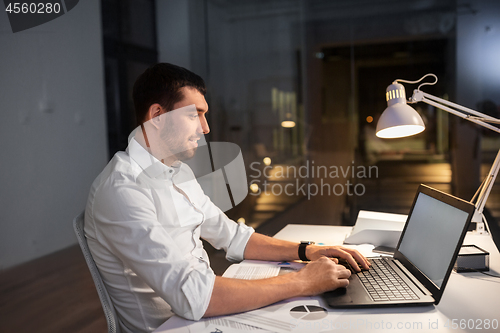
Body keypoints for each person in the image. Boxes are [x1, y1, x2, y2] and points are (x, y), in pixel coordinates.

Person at [84, 63, 370, 332]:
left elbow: (233, 236)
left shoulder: (176, 170)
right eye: (193, 114)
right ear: (157, 116)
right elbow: (194, 296)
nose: (205, 128)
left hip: (205, 313)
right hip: (176, 325)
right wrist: (302, 281)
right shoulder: (122, 190)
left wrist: (306, 251)